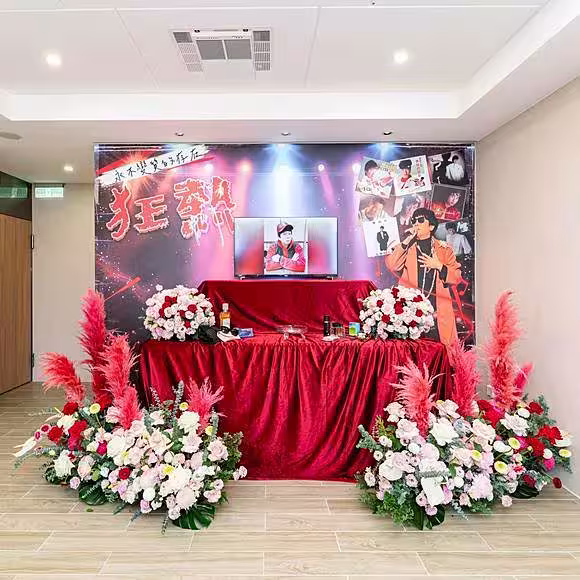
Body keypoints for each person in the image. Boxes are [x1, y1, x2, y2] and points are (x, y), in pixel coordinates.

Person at [386, 208, 462, 345]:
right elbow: (392, 265)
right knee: (411, 351)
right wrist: (406, 241)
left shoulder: (444, 249)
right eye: (413, 221)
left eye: (420, 220)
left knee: (441, 350)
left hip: (437, 311)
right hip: (411, 311)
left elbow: (456, 277)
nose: (416, 223)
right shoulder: (406, 247)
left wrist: (439, 266)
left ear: (431, 226)